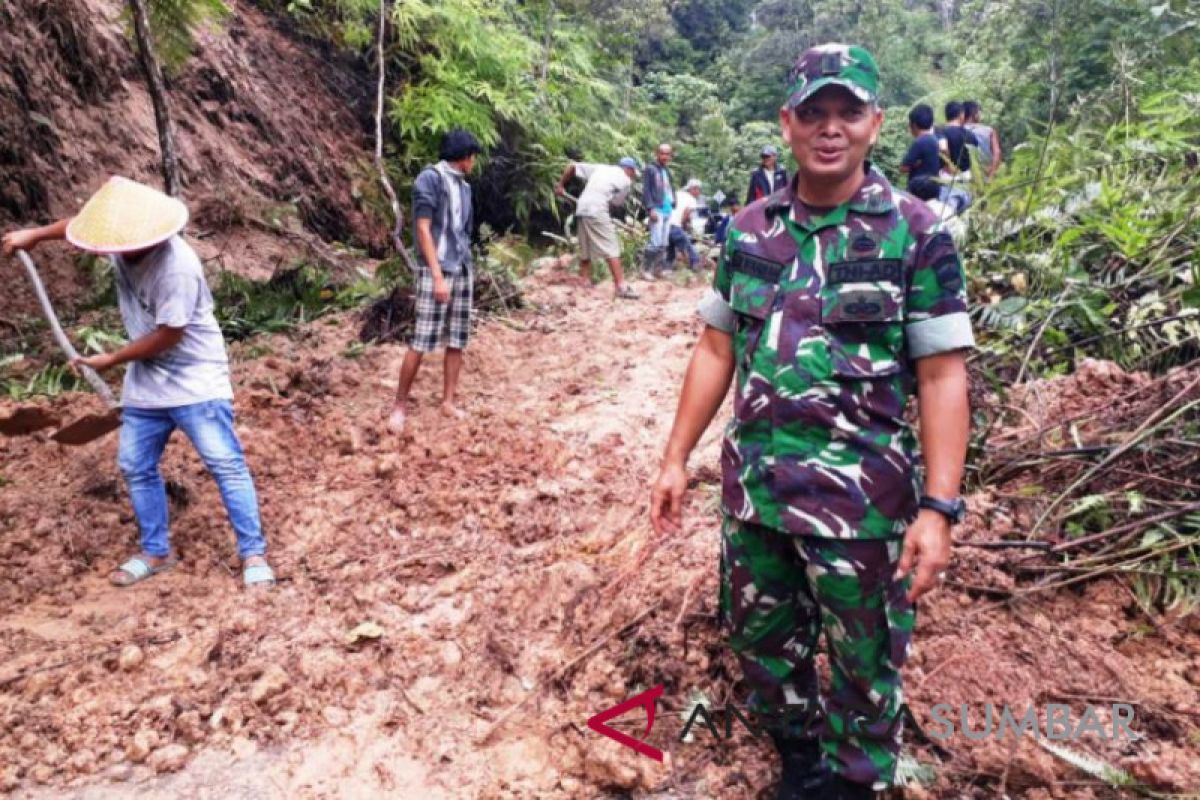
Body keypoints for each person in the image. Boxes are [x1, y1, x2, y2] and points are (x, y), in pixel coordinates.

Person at [650, 43, 974, 800]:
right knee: (762, 642)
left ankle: (857, 782)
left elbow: (942, 375)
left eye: (849, 113)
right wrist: (674, 457)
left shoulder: (915, 232)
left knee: (865, 661)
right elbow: (715, 347)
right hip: (757, 496)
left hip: (862, 506)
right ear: (787, 121)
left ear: (876, 122)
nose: (832, 130)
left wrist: (940, 509)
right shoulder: (748, 229)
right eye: (816, 113)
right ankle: (799, 762)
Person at [2, 177, 275, 588]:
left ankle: (253, 552)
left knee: (223, 461)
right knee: (134, 463)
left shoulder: (177, 267)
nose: (111, 249)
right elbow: (76, 228)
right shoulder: (118, 240)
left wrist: (111, 358)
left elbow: (170, 335)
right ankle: (156, 550)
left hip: (194, 375)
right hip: (148, 379)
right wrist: (35, 237)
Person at [388, 130, 481, 434]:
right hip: (436, 270)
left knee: (457, 338)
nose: (474, 162)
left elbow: (463, 231)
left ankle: (448, 401)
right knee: (422, 339)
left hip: (462, 267)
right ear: (464, 156)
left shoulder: (464, 188)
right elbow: (423, 229)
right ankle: (399, 406)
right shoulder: (429, 179)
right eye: (473, 156)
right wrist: (438, 275)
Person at [554, 156, 642, 299]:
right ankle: (621, 286)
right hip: (597, 208)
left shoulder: (601, 168)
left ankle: (584, 281)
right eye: (633, 173)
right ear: (630, 170)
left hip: (582, 207)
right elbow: (616, 203)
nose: (632, 176)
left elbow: (572, 165)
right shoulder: (626, 181)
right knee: (612, 247)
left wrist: (560, 185)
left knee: (586, 246)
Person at [642, 143, 675, 278]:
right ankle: (646, 270)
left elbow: (669, 189)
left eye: (667, 154)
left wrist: (674, 202)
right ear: (657, 154)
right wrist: (650, 208)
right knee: (655, 241)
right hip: (657, 209)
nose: (665, 156)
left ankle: (658, 270)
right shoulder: (651, 169)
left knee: (663, 242)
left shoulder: (666, 171)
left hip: (667, 209)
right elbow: (647, 190)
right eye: (662, 153)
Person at [900, 103, 942, 202]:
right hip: (933, 189)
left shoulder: (919, 142)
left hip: (918, 191)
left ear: (913, 125)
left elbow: (903, 168)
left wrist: (915, 164)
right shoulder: (935, 140)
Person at [665, 178, 703, 272]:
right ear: (693, 189)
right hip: (675, 225)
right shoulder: (691, 199)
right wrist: (684, 225)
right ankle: (696, 265)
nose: (699, 192)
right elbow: (686, 214)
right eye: (698, 189)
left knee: (670, 248)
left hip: (665, 225)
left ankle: (667, 268)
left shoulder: (677, 193)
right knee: (688, 246)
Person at [963, 100, 1002, 179]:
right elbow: (997, 153)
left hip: (965, 176)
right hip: (986, 172)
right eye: (979, 112)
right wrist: (992, 174)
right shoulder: (989, 131)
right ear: (975, 114)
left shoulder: (957, 131)